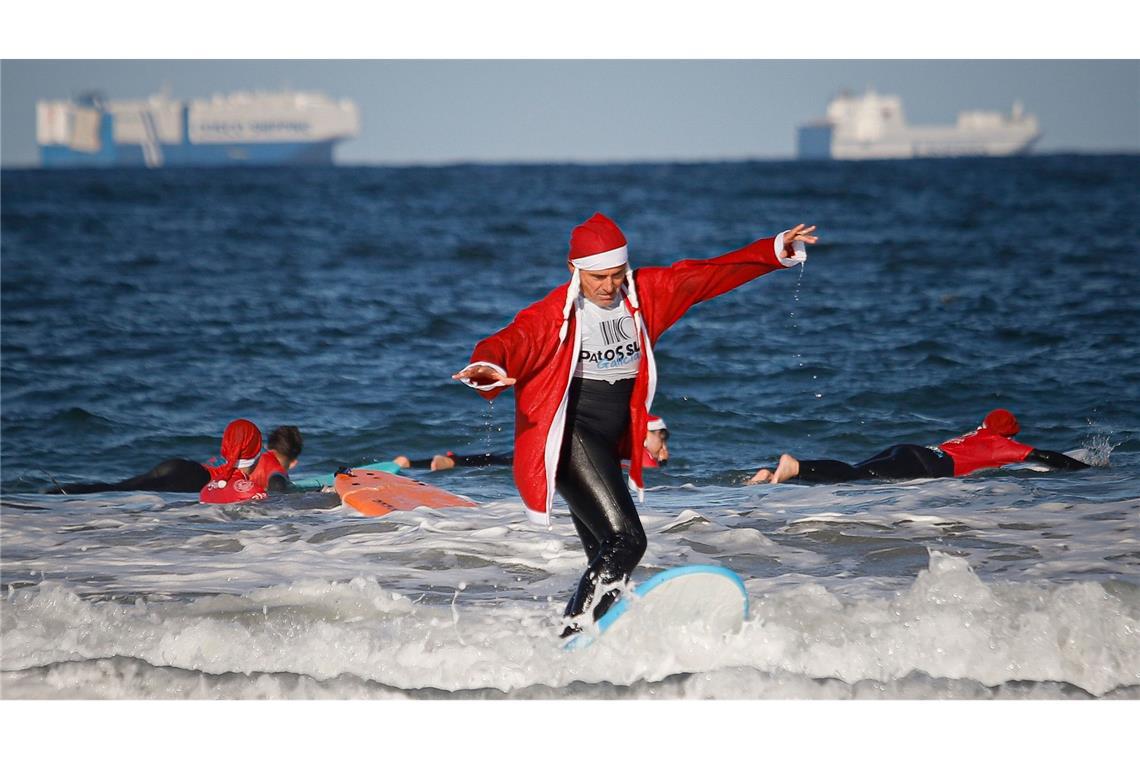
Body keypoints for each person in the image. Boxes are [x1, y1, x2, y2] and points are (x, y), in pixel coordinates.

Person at [453, 212, 816, 635]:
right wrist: (485, 366)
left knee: (609, 561)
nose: (609, 286)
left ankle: (591, 647)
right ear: (574, 270)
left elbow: (705, 276)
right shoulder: (554, 315)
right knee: (627, 542)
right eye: (599, 277)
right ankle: (571, 638)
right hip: (572, 439)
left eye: (617, 274)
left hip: (607, 442)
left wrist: (772, 251)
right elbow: (508, 342)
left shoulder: (644, 294)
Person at [748, 409, 1089, 485]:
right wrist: (1086, 470)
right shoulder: (1002, 445)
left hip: (912, 449)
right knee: (855, 477)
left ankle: (776, 474)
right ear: (1011, 435)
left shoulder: (977, 433)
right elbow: (1044, 456)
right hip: (926, 466)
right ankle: (795, 467)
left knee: (854, 469)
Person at [46, 418, 272, 497]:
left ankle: (62, 493)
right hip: (191, 480)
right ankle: (63, 494)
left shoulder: (227, 458)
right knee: (122, 490)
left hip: (182, 466)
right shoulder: (246, 473)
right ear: (257, 446)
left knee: (119, 486)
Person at [396, 414, 672, 471]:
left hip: (546, 449)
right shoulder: (638, 453)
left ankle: (414, 463)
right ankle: (443, 462)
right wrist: (660, 462)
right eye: (661, 437)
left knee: (496, 459)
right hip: (548, 457)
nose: (663, 444)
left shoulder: (621, 441)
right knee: (498, 461)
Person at [249, 425, 304, 493]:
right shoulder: (278, 475)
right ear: (293, 463)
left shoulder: (250, 461)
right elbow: (276, 485)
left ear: (267, 447)